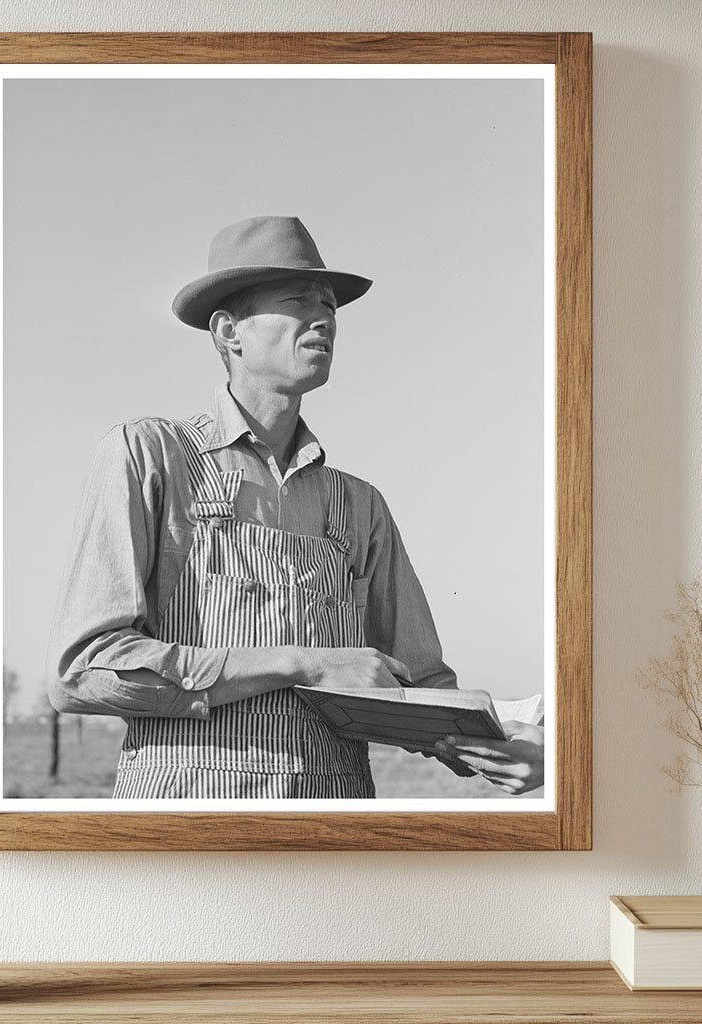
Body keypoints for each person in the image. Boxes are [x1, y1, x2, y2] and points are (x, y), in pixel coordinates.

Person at [45, 215, 543, 798]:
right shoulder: (148, 456)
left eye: (330, 305)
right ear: (229, 331)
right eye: (297, 299)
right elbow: (83, 671)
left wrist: (503, 746)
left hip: (335, 822)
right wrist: (303, 664)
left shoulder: (360, 506)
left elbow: (419, 686)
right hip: (187, 823)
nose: (323, 317)